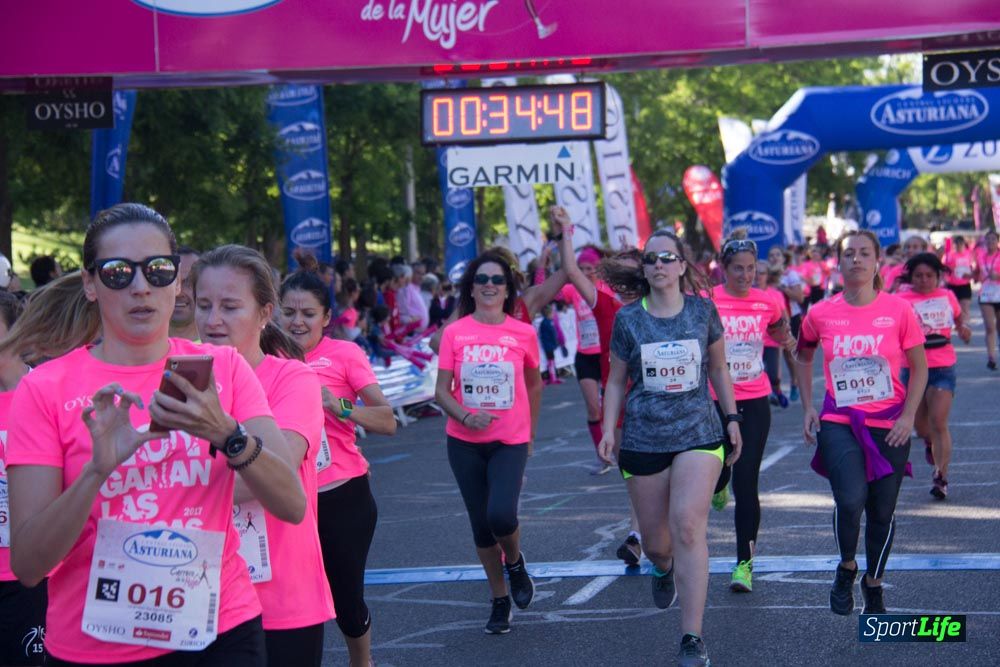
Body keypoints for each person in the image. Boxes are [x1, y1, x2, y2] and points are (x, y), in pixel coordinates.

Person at [6, 203, 306, 666]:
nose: (141, 286)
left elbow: (292, 503)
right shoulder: (44, 389)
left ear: (177, 284)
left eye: (158, 270)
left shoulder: (222, 369)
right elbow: (28, 564)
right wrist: (96, 473)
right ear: (90, 284)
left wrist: (226, 433)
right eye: (118, 272)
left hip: (221, 633)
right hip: (94, 647)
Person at [599, 230, 743, 667]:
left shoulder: (703, 311)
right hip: (644, 439)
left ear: (682, 266)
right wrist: (609, 430)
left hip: (698, 433)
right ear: (644, 269)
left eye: (667, 257)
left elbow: (718, 368)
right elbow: (616, 381)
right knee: (660, 544)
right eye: (651, 259)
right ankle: (662, 570)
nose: (659, 264)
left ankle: (692, 638)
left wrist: (732, 419)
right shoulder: (629, 319)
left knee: (687, 526)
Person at [192, 245, 334, 667]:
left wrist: (173, 493)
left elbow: (276, 473)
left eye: (230, 306)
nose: (213, 320)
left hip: (281, 597)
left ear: (265, 313)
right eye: (203, 305)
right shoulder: (181, 378)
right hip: (194, 589)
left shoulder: (293, 379)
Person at [794, 229, 927, 616]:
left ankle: (874, 583)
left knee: (882, 512)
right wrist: (807, 406)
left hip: (890, 422)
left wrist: (908, 416)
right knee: (850, 500)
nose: (856, 259)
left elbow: (919, 370)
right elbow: (802, 357)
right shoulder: (820, 312)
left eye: (863, 253)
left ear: (876, 261)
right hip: (840, 420)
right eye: (848, 253)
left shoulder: (899, 310)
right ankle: (847, 567)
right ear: (839, 261)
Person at [278, 267, 397, 667]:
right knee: (287, 601)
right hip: (285, 497)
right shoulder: (265, 358)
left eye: (308, 313)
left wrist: (339, 405)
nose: (297, 321)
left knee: (345, 599)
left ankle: (361, 663)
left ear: (326, 318)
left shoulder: (344, 354)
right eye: (289, 311)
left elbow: (387, 420)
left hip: (341, 496)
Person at [433, 251, 542, 635]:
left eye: (498, 280)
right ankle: (499, 599)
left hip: (508, 441)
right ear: (472, 289)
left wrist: (528, 437)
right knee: (481, 526)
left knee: (501, 515)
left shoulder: (523, 333)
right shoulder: (455, 332)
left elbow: (534, 384)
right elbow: (440, 391)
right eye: (482, 280)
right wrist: (464, 415)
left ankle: (514, 562)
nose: (490, 285)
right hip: (463, 441)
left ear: (508, 288)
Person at [711, 236, 792, 594]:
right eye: (738, 268)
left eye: (751, 268)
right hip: (713, 399)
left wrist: (789, 340)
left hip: (755, 399)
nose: (745, 275)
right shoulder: (708, 301)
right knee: (716, 469)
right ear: (724, 269)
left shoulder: (769, 301)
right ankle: (718, 483)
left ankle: (744, 564)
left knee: (748, 482)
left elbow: (780, 328)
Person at [896, 252, 971, 500]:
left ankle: (941, 476)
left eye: (929, 275)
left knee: (939, 421)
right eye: (918, 276)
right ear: (910, 277)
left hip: (942, 366)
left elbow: (959, 317)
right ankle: (929, 443)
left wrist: (963, 328)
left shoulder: (947, 295)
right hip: (913, 368)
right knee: (921, 426)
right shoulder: (901, 299)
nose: (924, 280)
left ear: (938, 276)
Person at [769, 246, 805, 402]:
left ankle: (795, 384)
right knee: (774, 355)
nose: (774, 257)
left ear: (784, 259)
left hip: (792, 317)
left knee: (790, 356)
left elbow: (800, 298)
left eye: (777, 254)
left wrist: (783, 288)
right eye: (771, 255)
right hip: (773, 320)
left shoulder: (790, 274)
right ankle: (774, 390)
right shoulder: (765, 275)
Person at [976, 230, 1000, 370]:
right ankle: (991, 357)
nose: (990, 242)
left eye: (993, 239)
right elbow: (978, 274)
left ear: (997, 241)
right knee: (990, 327)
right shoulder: (980, 256)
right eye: (988, 240)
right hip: (986, 294)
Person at [169, 245, 201, 341]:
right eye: (172, 281)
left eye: (188, 283)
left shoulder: (221, 349)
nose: (179, 293)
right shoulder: (138, 348)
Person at [942, 235, 975, 323]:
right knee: (952, 308)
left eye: (961, 244)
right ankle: (955, 323)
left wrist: (971, 275)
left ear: (964, 244)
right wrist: (948, 273)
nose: (959, 246)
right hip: (952, 285)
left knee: (965, 307)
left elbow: (974, 268)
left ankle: (965, 325)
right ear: (954, 245)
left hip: (965, 285)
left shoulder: (969, 254)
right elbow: (944, 269)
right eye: (957, 244)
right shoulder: (949, 255)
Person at [538, 303, 564, 385]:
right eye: (552, 313)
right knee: (551, 361)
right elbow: (549, 335)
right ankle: (553, 377)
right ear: (548, 314)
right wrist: (555, 342)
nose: (553, 315)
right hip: (548, 345)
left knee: (552, 360)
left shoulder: (548, 322)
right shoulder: (546, 323)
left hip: (550, 345)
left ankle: (553, 376)